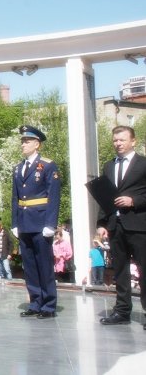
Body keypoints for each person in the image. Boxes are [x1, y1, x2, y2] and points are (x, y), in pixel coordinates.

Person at [97, 126, 146, 328]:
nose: (118, 143)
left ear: (133, 141)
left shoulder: (143, 164)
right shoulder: (109, 166)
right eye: (115, 140)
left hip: (139, 225)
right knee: (120, 271)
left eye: (122, 140)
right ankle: (122, 311)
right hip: (115, 226)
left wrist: (133, 200)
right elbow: (104, 197)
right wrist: (101, 224)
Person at [11, 125, 60, 319]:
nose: (23, 144)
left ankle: (48, 305)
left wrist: (51, 224)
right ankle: (35, 301)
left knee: (44, 265)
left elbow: (53, 196)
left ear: (37, 144)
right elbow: (15, 197)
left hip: (41, 222)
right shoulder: (18, 168)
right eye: (22, 141)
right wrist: (14, 222)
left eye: (27, 141)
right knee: (29, 265)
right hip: (24, 222)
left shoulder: (47, 165)